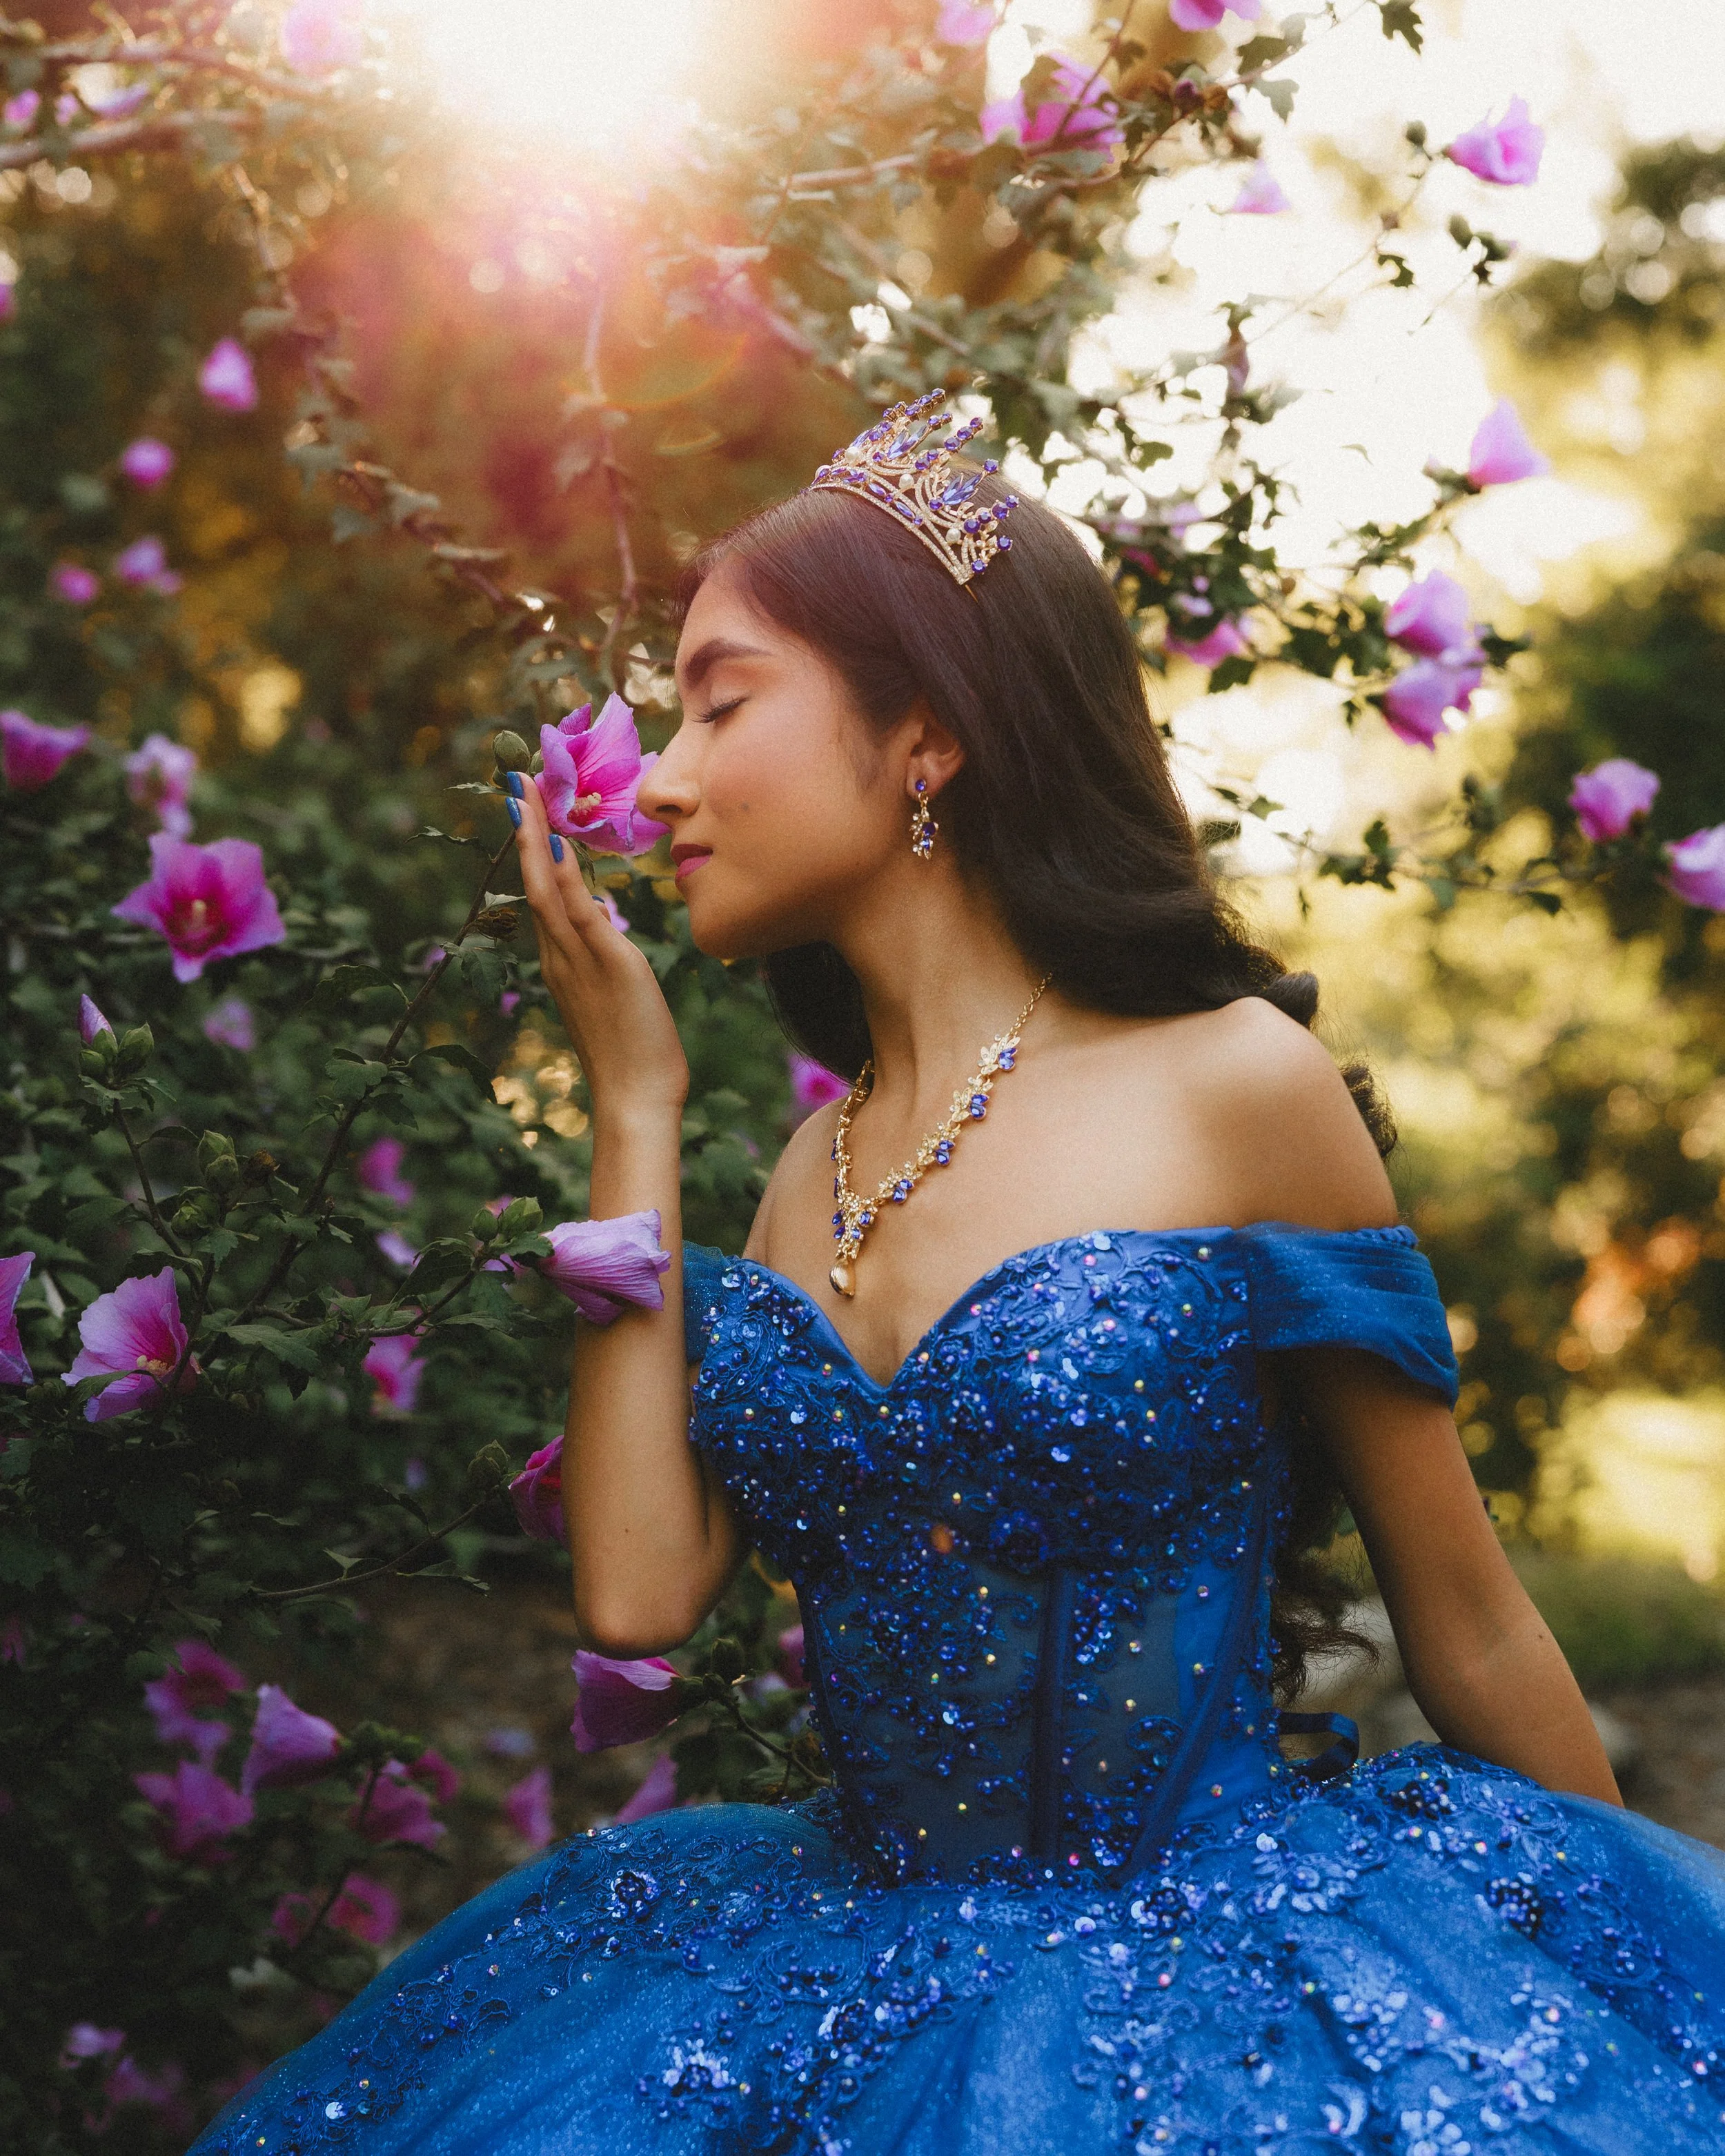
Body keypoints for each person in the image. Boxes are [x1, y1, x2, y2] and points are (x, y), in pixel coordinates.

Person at [196, 395, 1725, 2154]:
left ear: (923, 731)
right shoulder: (803, 1171)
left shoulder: (1235, 1083)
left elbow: (1462, 1615)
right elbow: (635, 1593)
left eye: (718, 697)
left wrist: (1642, 2004)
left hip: (1217, 1994)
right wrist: (632, 1104)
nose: (664, 776)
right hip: (819, 1974)